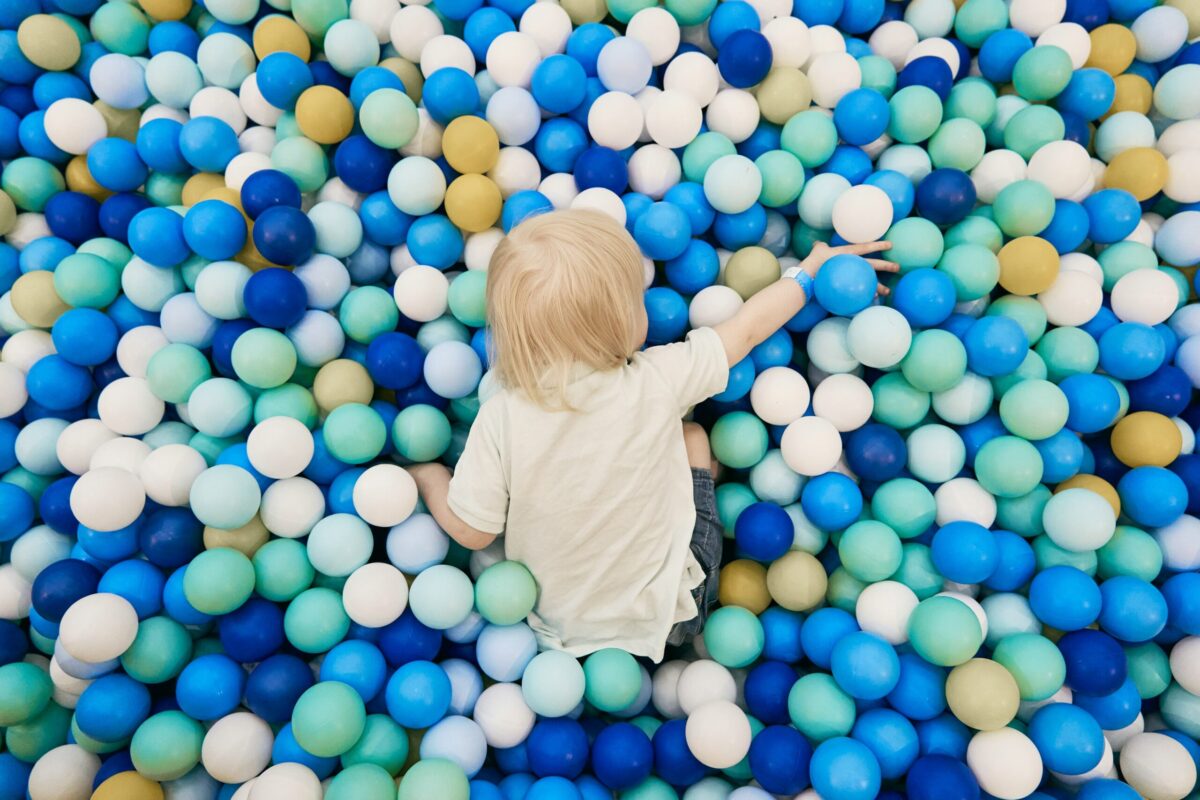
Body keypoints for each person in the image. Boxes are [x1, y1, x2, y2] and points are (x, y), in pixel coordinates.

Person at [407, 209, 895, 661]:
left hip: (555, 629)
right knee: (692, 438)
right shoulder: (657, 377)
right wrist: (808, 274)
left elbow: (475, 531)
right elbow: (746, 330)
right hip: (675, 613)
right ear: (623, 324)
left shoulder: (500, 417)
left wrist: (430, 478)